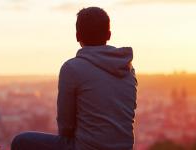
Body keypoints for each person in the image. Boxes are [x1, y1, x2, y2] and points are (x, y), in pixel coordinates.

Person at [11, 6, 137, 150]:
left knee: (20, 141)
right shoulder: (127, 68)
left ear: (77, 36)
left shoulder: (72, 68)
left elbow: (66, 127)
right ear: (109, 35)